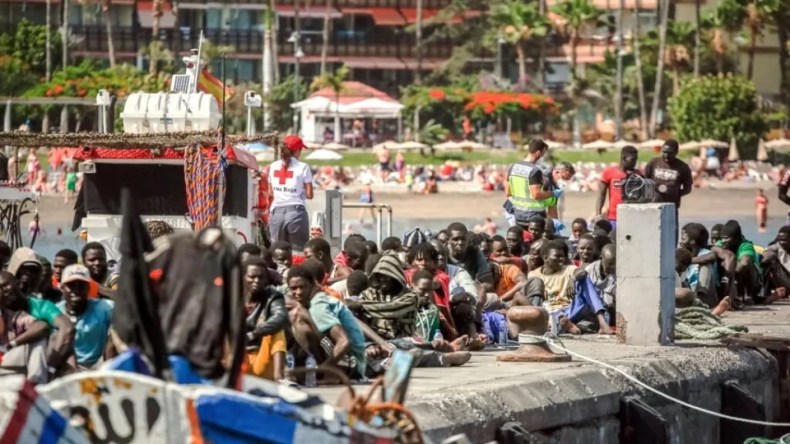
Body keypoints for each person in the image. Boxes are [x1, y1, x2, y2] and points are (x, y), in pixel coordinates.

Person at [288, 265, 367, 379]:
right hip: (349, 359)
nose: (299, 292)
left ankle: (325, 374)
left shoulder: (318, 306)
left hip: (353, 363)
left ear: (312, 285)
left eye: (302, 287)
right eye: (294, 288)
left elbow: (344, 342)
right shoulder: (310, 301)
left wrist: (320, 370)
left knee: (299, 322)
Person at [528, 240, 612, 335]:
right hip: (550, 312)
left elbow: (582, 272)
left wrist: (573, 279)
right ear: (545, 258)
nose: (561, 259)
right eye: (557, 256)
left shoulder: (568, 269)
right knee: (551, 316)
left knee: (584, 279)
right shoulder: (534, 275)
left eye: (563, 256)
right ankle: (566, 325)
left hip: (571, 309)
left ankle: (602, 322)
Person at [56, 265, 114, 370]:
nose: (76, 290)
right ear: (62, 288)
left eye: (81, 286)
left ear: (88, 288)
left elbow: (127, 307)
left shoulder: (104, 307)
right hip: (66, 366)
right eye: (71, 286)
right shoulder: (55, 311)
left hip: (99, 366)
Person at [242, 258, 289, 382]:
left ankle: (279, 378)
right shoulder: (232, 296)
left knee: (277, 330)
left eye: (261, 277)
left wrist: (254, 333)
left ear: (266, 279)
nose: (256, 281)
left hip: (262, 360)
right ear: (243, 277)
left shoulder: (273, 296)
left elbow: (281, 317)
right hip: (238, 360)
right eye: (252, 277)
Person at [268, 134, 314, 251]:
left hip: (276, 213)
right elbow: (309, 195)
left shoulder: (273, 166)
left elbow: (270, 193)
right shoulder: (303, 167)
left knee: (277, 253)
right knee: (298, 253)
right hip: (296, 213)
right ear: (297, 151)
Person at [0, 276, 49, 383]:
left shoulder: (12, 316)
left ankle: (37, 386)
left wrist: (12, 344)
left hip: (5, 361)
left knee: (38, 339)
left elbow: (41, 326)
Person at [644, 139, 693, 241]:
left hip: (671, 206)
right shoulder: (654, 162)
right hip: (653, 205)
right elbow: (645, 181)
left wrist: (675, 194)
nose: (666, 155)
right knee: (652, 233)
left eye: (670, 153)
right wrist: (651, 195)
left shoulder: (683, 167)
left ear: (676, 152)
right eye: (664, 152)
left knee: (671, 234)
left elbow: (688, 188)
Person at [504, 139, 560, 228]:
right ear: (538, 153)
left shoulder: (513, 166)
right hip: (534, 217)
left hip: (518, 215)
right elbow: (536, 195)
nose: (543, 157)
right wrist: (553, 193)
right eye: (543, 153)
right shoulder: (534, 170)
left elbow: (507, 193)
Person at [717, 220, 764, 305]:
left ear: (736, 238)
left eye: (726, 238)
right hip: (728, 280)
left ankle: (748, 296)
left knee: (748, 264)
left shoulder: (746, 245)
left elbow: (744, 263)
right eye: (722, 238)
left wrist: (729, 275)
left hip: (748, 282)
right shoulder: (720, 244)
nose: (723, 241)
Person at [597, 145, 639, 229]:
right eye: (632, 160)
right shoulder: (609, 172)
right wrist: (598, 214)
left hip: (633, 216)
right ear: (624, 158)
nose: (635, 163)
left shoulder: (638, 175)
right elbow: (601, 194)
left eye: (636, 160)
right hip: (614, 217)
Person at [586, 244, 617, 324]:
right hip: (592, 309)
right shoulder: (589, 270)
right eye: (609, 264)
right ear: (601, 258)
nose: (612, 267)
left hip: (610, 311)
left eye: (615, 264)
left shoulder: (619, 274)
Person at [762, 226, 790, 299]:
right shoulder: (776, 247)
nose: (782, 242)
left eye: (784, 240)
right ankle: (764, 293)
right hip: (785, 280)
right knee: (770, 261)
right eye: (780, 239)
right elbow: (766, 254)